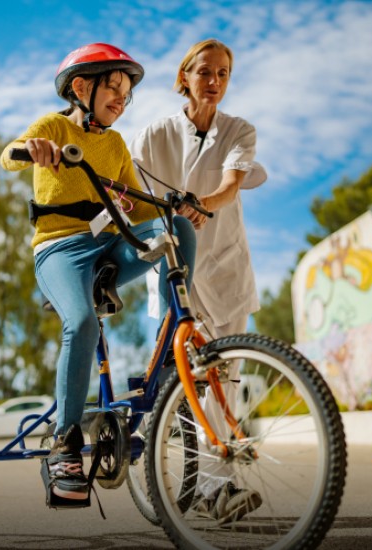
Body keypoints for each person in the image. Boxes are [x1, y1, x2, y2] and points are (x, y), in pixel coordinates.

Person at [0, 43, 197, 508]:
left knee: (177, 227)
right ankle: (64, 443)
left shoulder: (115, 143)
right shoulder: (54, 126)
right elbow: (7, 155)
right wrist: (34, 149)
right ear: (81, 87)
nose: (122, 100)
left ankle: (174, 350)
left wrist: (174, 207)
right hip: (60, 251)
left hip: (110, 245)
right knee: (83, 322)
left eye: (127, 93)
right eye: (114, 88)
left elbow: (140, 205)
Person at [129, 38, 266, 524]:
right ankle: (204, 480)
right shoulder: (153, 135)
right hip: (175, 268)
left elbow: (231, 185)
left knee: (223, 378)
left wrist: (203, 204)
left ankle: (216, 485)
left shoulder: (238, 130)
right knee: (187, 379)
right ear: (184, 76)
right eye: (205, 71)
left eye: (224, 73)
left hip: (225, 268)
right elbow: (131, 193)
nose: (215, 81)